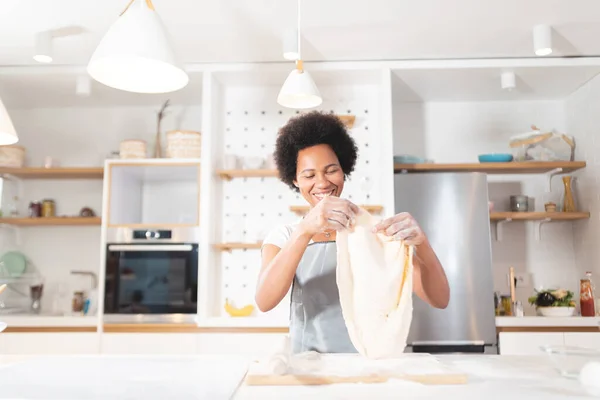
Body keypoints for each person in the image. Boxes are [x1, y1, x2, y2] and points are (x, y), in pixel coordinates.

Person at [255, 111, 450, 354]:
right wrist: (305, 230)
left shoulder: (375, 232)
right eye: (309, 175)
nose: (322, 182)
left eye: (331, 170)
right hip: (309, 371)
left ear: (344, 169)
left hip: (370, 366)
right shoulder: (285, 236)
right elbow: (264, 301)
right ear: (295, 180)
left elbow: (440, 299)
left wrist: (422, 244)